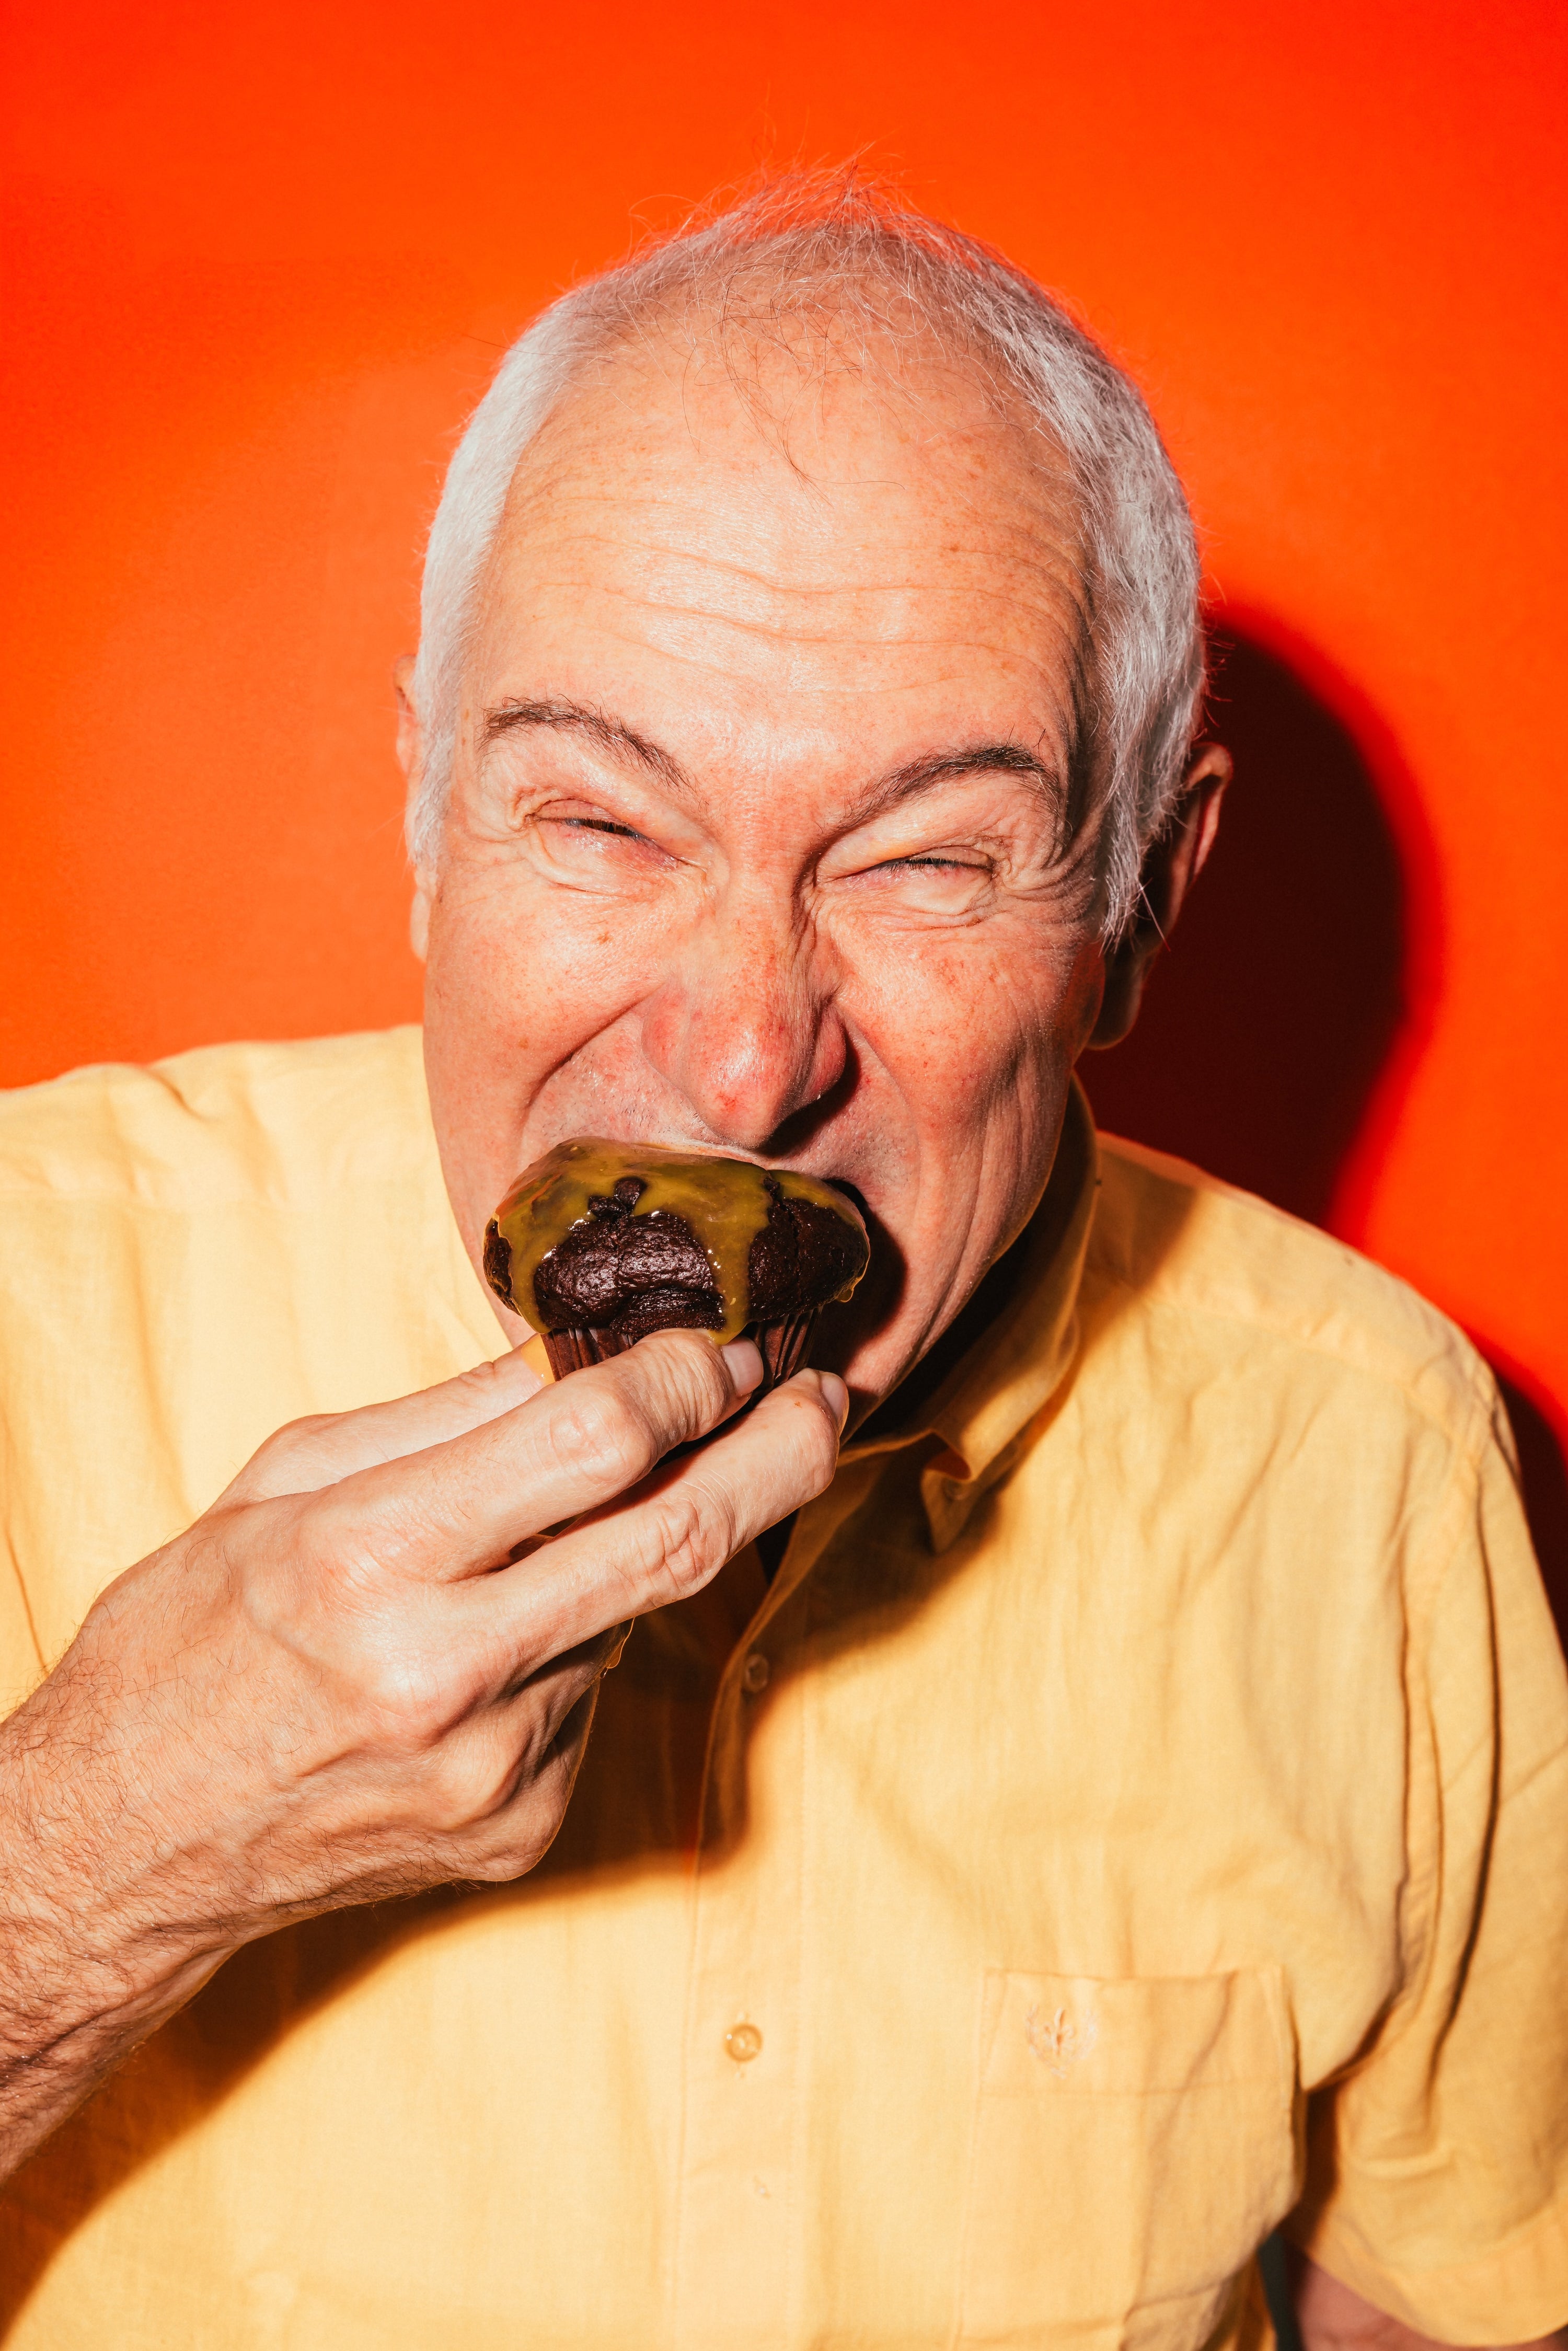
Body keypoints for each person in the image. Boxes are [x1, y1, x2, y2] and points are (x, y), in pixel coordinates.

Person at [1, 174, 1564, 2351]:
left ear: (1139, 902)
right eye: (600, 821)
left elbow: (1434, 2305)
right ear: (427, 817)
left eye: (925, 861)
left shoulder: (1378, 1463)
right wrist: (99, 1852)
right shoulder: (31, 1307)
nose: (743, 1064)